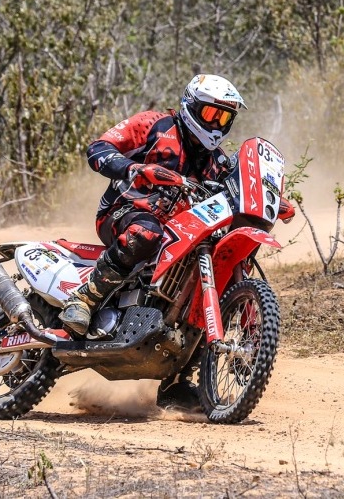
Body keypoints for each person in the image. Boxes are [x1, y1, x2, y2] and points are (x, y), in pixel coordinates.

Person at [59, 73, 247, 410]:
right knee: (147, 232)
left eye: (225, 117)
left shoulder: (218, 162)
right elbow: (98, 149)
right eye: (211, 114)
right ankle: (85, 300)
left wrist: (273, 200)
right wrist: (134, 169)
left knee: (207, 281)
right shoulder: (155, 124)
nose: (217, 124)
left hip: (181, 234)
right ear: (191, 105)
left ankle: (176, 382)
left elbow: (238, 189)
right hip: (125, 211)